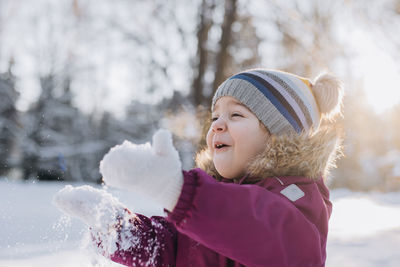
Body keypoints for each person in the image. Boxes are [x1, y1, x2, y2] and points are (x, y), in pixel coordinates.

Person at [53, 68, 344, 267]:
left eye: (236, 114)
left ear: (279, 135)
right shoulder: (216, 201)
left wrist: (183, 194)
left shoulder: (298, 199)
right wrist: (119, 228)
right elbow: (173, 249)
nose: (217, 124)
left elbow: (266, 233)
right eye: (215, 117)